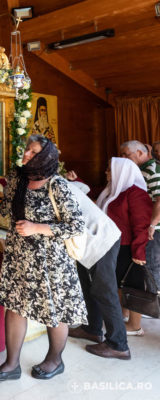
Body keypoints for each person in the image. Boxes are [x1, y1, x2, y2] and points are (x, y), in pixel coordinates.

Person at [0, 134, 87, 381]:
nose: (26, 154)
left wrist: (38, 228)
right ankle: (11, 364)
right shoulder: (18, 177)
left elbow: (76, 225)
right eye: (27, 150)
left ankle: (55, 360)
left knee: (54, 310)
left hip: (51, 260)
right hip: (19, 256)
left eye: (33, 152)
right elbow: (9, 204)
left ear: (45, 157)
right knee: (15, 307)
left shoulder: (57, 185)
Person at [65, 178, 131, 359]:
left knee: (105, 291)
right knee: (87, 286)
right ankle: (92, 329)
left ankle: (118, 344)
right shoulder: (57, 182)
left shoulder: (54, 186)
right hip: (87, 242)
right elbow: (83, 187)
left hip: (101, 240)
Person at [95, 157, 152, 336]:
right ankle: (123, 316)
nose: (106, 172)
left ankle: (135, 326)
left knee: (133, 285)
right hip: (115, 245)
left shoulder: (136, 193)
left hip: (129, 246)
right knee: (119, 282)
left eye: (109, 169)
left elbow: (141, 225)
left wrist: (139, 252)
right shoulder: (113, 190)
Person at [120, 140, 160, 290]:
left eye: (126, 154)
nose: (123, 158)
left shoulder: (152, 170)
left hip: (153, 230)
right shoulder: (140, 169)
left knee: (152, 269)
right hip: (147, 228)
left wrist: (152, 225)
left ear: (139, 152)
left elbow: (159, 200)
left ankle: (155, 301)